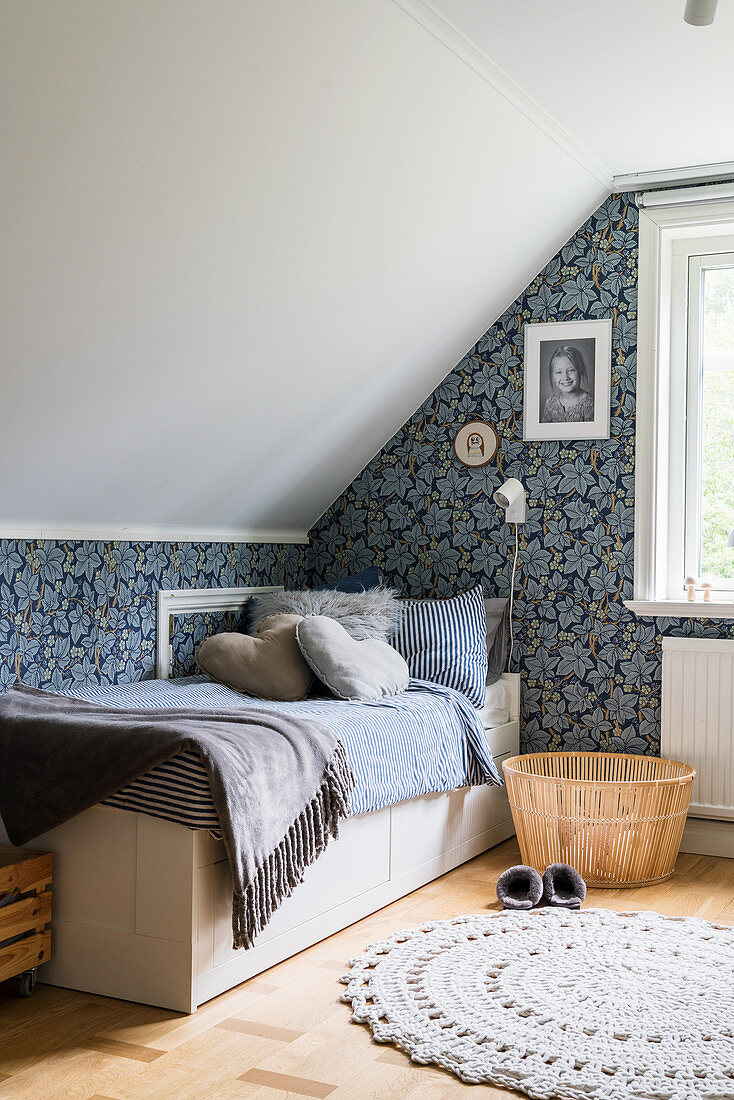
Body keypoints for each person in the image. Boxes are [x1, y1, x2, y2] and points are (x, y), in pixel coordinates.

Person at [541, 345, 594, 423]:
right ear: (553, 377)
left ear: (580, 371)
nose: (565, 377)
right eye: (559, 372)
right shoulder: (550, 403)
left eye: (571, 370)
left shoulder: (590, 404)